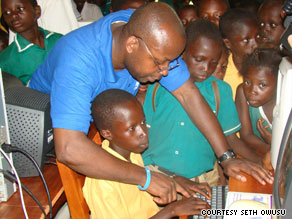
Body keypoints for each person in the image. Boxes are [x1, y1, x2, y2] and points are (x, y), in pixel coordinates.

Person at [29, 3, 273, 205]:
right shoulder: (79, 60)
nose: (166, 72)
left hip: (106, 130)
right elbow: (70, 148)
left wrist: (227, 158)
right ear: (132, 45)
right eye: (160, 63)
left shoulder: (151, 38)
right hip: (44, 136)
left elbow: (188, 94)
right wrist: (146, 177)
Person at [142, 19, 262, 187]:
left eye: (213, 62)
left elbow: (231, 139)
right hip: (161, 178)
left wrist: (260, 162)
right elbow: (145, 135)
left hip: (203, 180)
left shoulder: (221, 90)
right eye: (199, 59)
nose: (206, 68)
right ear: (182, 53)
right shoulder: (157, 85)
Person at [83, 88, 211, 219]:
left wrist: (175, 180)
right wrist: (171, 211)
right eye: (132, 128)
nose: (144, 133)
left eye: (143, 122)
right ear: (107, 133)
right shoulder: (102, 183)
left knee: (224, 212)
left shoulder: (131, 153)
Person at [0, 0, 63, 86]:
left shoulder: (59, 40)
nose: (13, 15)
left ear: (37, 11)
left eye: (20, 9)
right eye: (7, 12)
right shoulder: (5, 60)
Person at [235, 48, 282, 154]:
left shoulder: (287, 100)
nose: (252, 91)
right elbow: (246, 135)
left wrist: (276, 145)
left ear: (279, 82)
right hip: (261, 157)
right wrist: (273, 148)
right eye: (247, 82)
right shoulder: (242, 92)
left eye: (262, 85)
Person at [219, 8, 260, 99]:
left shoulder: (267, 68)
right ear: (228, 43)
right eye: (246, 40)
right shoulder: (222, 74)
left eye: (258, 36)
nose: (256, 44)